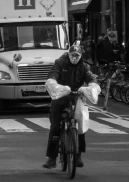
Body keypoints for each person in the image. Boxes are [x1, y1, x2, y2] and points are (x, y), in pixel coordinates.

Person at [42, 42, 97, 170]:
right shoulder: (60, 62)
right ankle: (51, 158)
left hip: (76, 97)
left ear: (81, 56)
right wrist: (55, 85)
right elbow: (52, 75)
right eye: (72, 55)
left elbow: (90, 78)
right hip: (60, 97)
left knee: (81, 125)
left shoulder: (83, 66)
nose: (74, 58)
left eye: (77, 56)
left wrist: (92, 86)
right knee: (55, 126)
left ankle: (78, 156)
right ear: (68, 54)